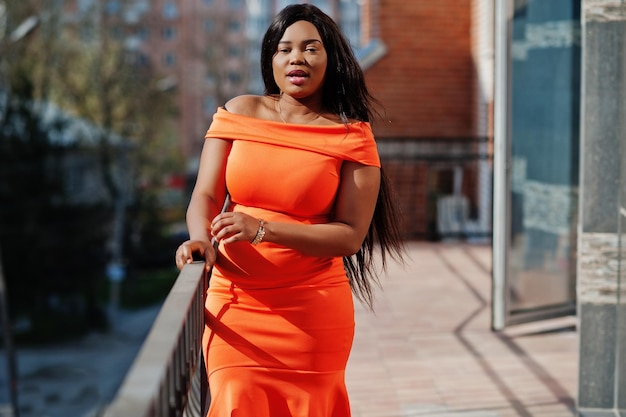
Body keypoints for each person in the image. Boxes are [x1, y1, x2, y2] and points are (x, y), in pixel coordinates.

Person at [175, 4, 404, 416]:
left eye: (311, 48)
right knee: (234, 401)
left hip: (311, 316)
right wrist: (198, 238)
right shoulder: (238, 113)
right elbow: (206, 196)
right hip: (236, 305)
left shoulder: (351, 137)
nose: (297, 57)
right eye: (284, 49)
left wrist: (262, 229)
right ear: (271, 60)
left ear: (331, 60)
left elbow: (350, 236)